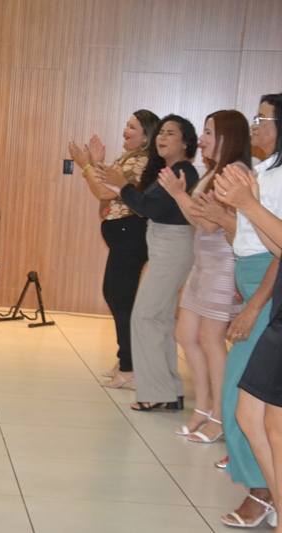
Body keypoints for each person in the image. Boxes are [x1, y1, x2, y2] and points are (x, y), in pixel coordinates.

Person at [157, 111, 250, 443]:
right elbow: (198, 221)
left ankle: (220, 418)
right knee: (186, 335)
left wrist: (178, 193)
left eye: (210, 132)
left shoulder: (235, 172)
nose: (204, 138)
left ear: (228, 137)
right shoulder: (214, 170)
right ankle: (204, 408)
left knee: (212, 341)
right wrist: (180, 195)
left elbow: (212, 223)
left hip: (222, 267)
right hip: (204, 264)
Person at [212, 93, 282, 529]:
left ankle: (264, 493)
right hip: (261, 285)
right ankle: (269, 494)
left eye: (264, 118)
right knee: (252, 411)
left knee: (250, 406)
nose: (257, 124)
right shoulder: (265, 169)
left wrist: (255, 305)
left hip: (267, 290)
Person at [97, 115, 199, 411]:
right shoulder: (170, 170)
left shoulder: (182, 171)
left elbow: (149, 208)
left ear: (185, 142)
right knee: (159, 319)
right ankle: (169, 391)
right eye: (161, 133)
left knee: (145, 316)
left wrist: (123, 186)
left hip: (172, 248)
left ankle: (155, 391)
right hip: (164, 247)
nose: (162, 138)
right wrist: (119, 186)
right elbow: (147, 205)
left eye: (171, 134)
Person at [68, 110, 159, 388]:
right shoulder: (129, 158)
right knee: (116, 295)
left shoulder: (141, 160)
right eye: (126, 126)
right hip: (123, 236)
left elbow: (105, 191)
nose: (125, 131)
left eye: (132, 127)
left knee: (120, 298)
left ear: (146, 135)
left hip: (131, 234)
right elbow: (106, 183)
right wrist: (95, 163)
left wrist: (86, 165)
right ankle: (126, 359)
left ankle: (130, 366)